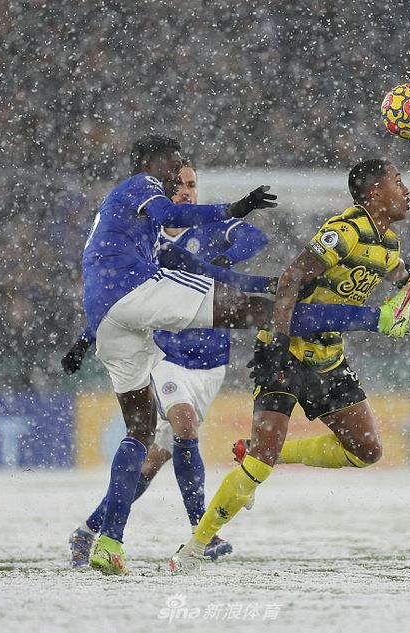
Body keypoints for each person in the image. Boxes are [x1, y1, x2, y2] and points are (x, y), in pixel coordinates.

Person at [77, 136, 409, 575]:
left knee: (142, 434)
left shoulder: (154, 235)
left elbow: (231, 249)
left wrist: (240, 263)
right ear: (155, 169)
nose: (182, 181)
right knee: (253, 324)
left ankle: (106, 539)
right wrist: (230, 211)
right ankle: (201, 531)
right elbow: (169, 219)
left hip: (150, 334)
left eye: (190, 178)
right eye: (179, 173)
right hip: (151, 325)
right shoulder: (146, 200)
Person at [170, 158, 410, 573]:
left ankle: (264, 453)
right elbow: (291, 278)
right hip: (286, 351)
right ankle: (194, 548)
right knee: (260, 464)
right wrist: (278, 346)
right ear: (376, 194)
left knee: (366, 451)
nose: (406, 189)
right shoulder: (344, 231)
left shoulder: (388, 244)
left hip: (328, 357)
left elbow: (404, 276)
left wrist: (409, 294)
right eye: (398, 181)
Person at [66, 161, 268, 566]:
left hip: (211, 364)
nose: (187, 192)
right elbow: (120, 301)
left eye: (193, 185)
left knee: (154, 460)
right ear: (165, 191)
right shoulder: (148, 239)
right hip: (167, 358)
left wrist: (226, 261)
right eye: (180, 185)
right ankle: (202, 533)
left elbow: (254, 235)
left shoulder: (210, 231)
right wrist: (86, 339)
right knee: (184, 421)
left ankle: (89, 529)